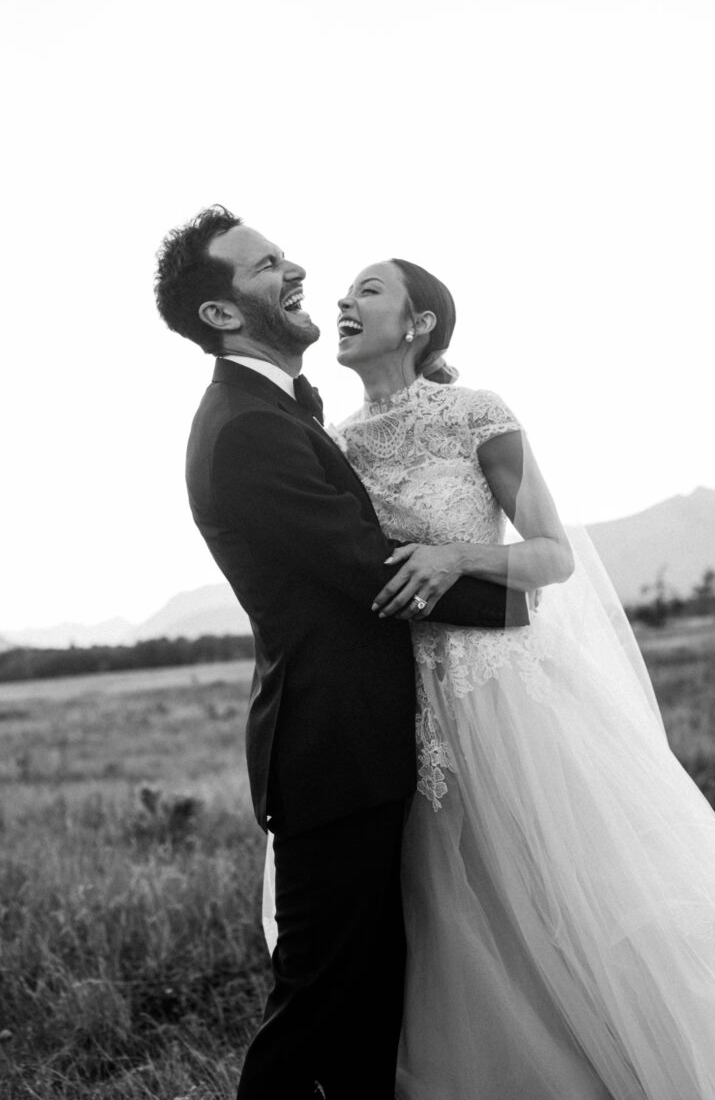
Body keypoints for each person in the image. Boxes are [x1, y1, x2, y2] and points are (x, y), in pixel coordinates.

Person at [333, 256, 715, 1099]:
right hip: (406, 702)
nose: (343, 302)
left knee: (572, 887)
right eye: (344, 294)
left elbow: (553, 556)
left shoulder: (476, 413)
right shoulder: (336, 444)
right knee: (459, 908)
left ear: (420, 323)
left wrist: (457, 555)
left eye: (367, 290)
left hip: (505, 693)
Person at [153, 207, 529, 1100]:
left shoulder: (280, 408)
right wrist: (518, 601)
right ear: (222, 314)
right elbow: (364, 566)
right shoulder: (245, 428)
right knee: (316, 1002)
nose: (294, 272)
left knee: (369, 996)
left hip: (360, 746)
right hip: (330, 753)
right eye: (266, 267)